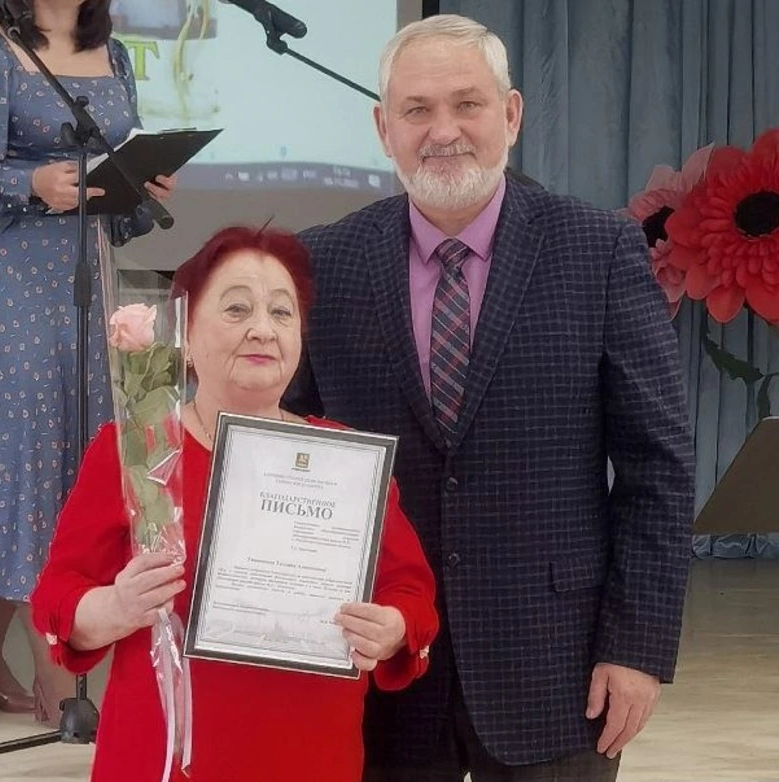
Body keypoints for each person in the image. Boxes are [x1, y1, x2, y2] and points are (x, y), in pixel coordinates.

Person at [288, 13, 696, 782]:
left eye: (467, 104)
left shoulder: (599, 251)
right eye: (417, 109)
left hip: (559, 666)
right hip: (378, 668)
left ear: (510, 114)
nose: (443, 131)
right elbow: (290, 449)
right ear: (383, 128)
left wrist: (637, 648)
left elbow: (658, 467)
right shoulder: (324, 262)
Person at [30, 225, 439, 781]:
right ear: (187, 332)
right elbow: (57, 599)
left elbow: (411, 594)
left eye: (282, 312)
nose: (262, 329)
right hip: (163, 759)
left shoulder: (345, 461)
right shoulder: (141, 449)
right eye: (237, 309)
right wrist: (116, 607)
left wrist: (391, 627)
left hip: (310, 757)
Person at [0, 0, 176, 725]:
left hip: (88, 280)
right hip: (8, 282)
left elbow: (118, 205)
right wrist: (29, 185)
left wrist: (139, 188)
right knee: (27, 461)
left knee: (80, 456)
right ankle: (58, 668)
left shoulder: (115, 53)